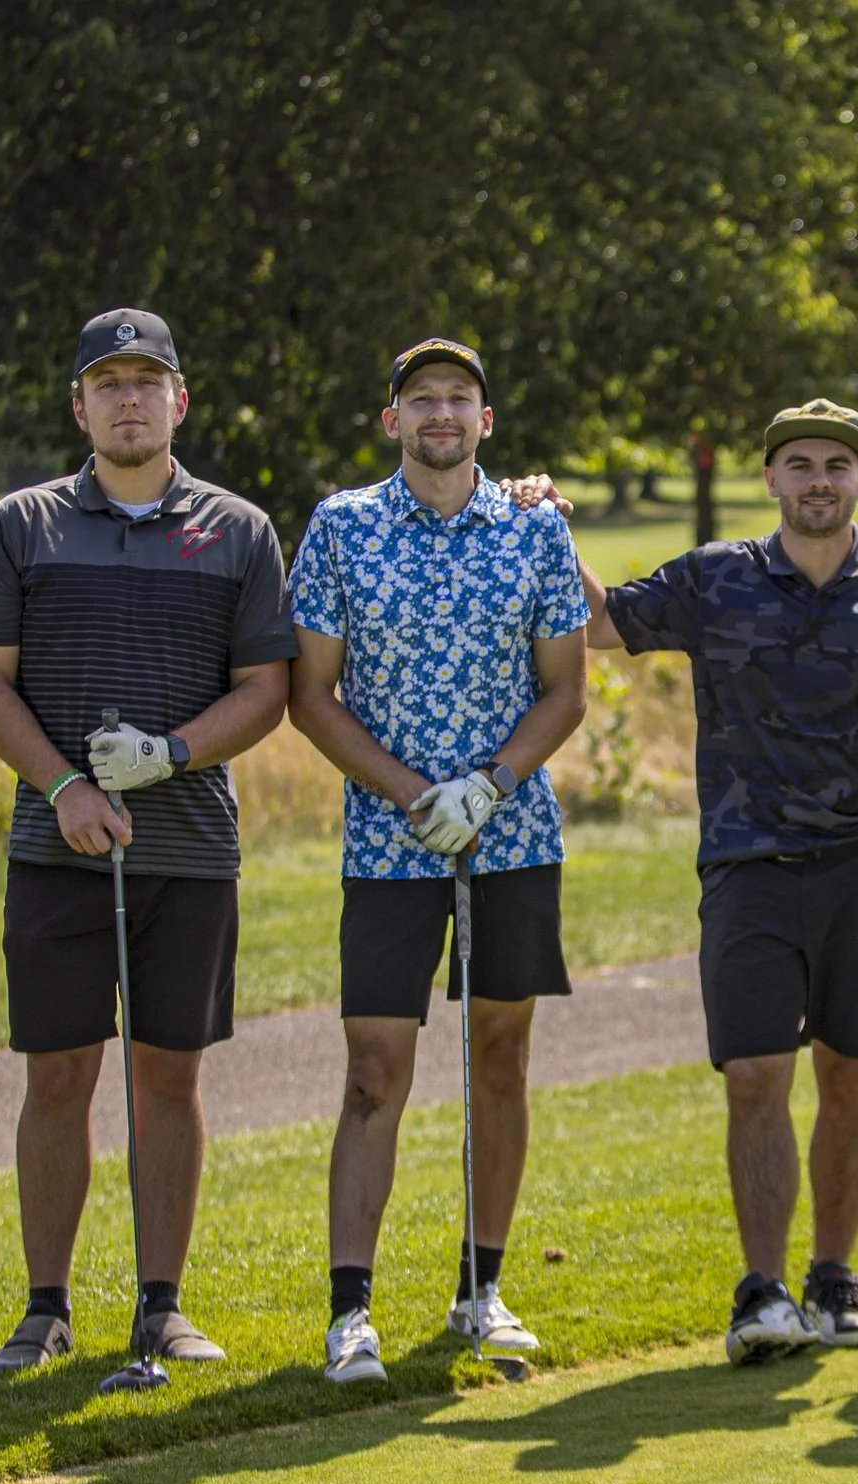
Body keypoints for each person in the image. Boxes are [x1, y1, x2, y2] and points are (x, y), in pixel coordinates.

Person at [581, 399, 858, 1366]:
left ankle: (833, 1279)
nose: (818, 480)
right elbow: (599, 623)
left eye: (836, 465)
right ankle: (763, 1289)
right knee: (755, 1073)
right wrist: (547, 527)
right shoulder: (717, 578)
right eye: (800, 464)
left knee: (850, 1074)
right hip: (747, 861)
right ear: (770, 479)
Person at [0, 308, 297, 1374]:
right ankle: (45, 1307)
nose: (129, 399)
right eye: (108, 383)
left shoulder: (238, 530)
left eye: (147, 380)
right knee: (58, 1077)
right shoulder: (22, 525)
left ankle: (161, 1307)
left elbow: (267, 688)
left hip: (188, 851)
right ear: (81, 407)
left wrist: (173, 753)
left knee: (167, 1080)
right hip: (56, 849)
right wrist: (62, 785)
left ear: (179, 400)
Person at [288, 337, 588, 1386]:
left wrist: (489, 786)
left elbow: (566, 689)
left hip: (514, 837)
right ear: (393, 420)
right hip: (389, 843)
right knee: (374, 1071)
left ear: (485, 420)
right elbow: (310, 696)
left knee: (500, 1058)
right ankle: (350, 1312)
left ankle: (480, 1289)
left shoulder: (536, 529)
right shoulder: (341, 527)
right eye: (422, 398)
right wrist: (417, 793)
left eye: (459, 397)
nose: (441, 413)